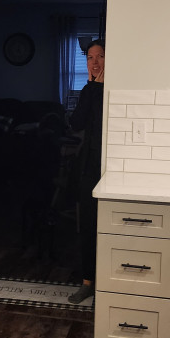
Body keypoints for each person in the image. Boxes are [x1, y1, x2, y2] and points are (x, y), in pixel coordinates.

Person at [67, 39, 104, 304]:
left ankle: (108, 281)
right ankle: (87, 282)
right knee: (88, 223)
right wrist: (91, 87)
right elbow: (76, 122)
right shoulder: (88, 89)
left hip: (110, 164)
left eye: (100, 56)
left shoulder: (113, 90)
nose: (95, 62)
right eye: (90, 57)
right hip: (89, 164)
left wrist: (99, 88)